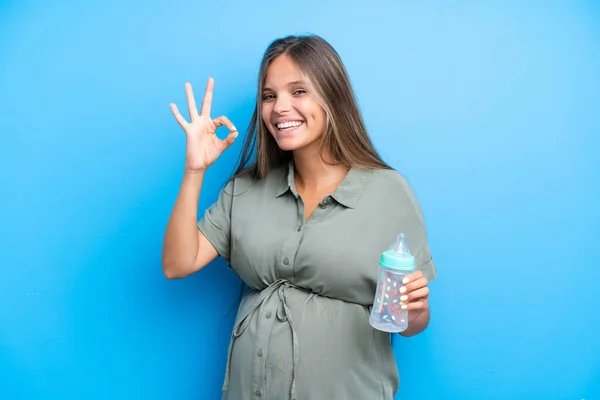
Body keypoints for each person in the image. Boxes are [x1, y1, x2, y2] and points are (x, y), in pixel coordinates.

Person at [162, 34, 437, 400]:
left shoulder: (388, 192)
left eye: (298, 92)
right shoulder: (246, 190)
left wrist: (414, 310)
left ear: (332, 97)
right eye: (269, 95)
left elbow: (412, 324)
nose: (280, 108)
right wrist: (194, 170)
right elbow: (177, 264)